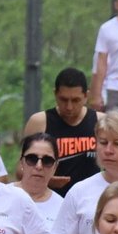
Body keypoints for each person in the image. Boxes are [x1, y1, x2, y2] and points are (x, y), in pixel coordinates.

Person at [22, 67, 101, 195]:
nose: (69, 107)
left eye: (75, 100)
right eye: (63, 100)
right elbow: (21, 170)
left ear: (86, 96)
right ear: (55, 94)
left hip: (90, 200)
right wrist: (45, 178)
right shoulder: (39, 122)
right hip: (48, 199)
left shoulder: (101, 122)